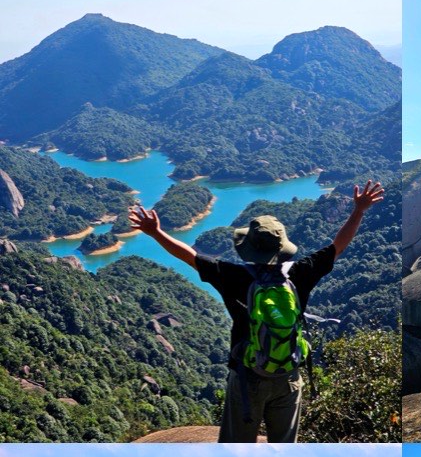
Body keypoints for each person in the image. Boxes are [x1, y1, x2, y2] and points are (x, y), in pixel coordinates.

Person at [128, 181, 385, 442]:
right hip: (288, 374)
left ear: (247, 247)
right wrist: (359, 210)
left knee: (236, 446)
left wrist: (155, 232)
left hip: (247, 377)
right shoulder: (301, 272)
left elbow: (189, 256)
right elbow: (337, 247)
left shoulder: (232, 275)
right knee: (284, 446)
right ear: (283, 247)